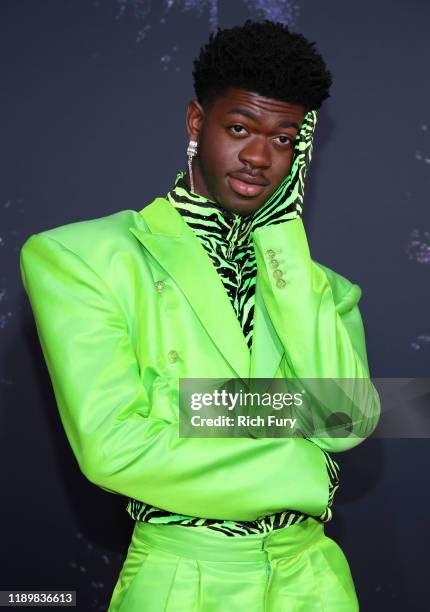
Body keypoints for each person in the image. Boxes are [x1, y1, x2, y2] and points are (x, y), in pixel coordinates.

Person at [20, 19, 380, 612]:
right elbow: (116, 448)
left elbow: (344, 420)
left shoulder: (319, 288)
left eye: (285, 139)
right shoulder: (83, 257)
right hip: (183, 579)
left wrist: (284, 237)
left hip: (314, 580)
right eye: (240, 127)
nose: (261, 156)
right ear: (196, 122)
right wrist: (300, 455)